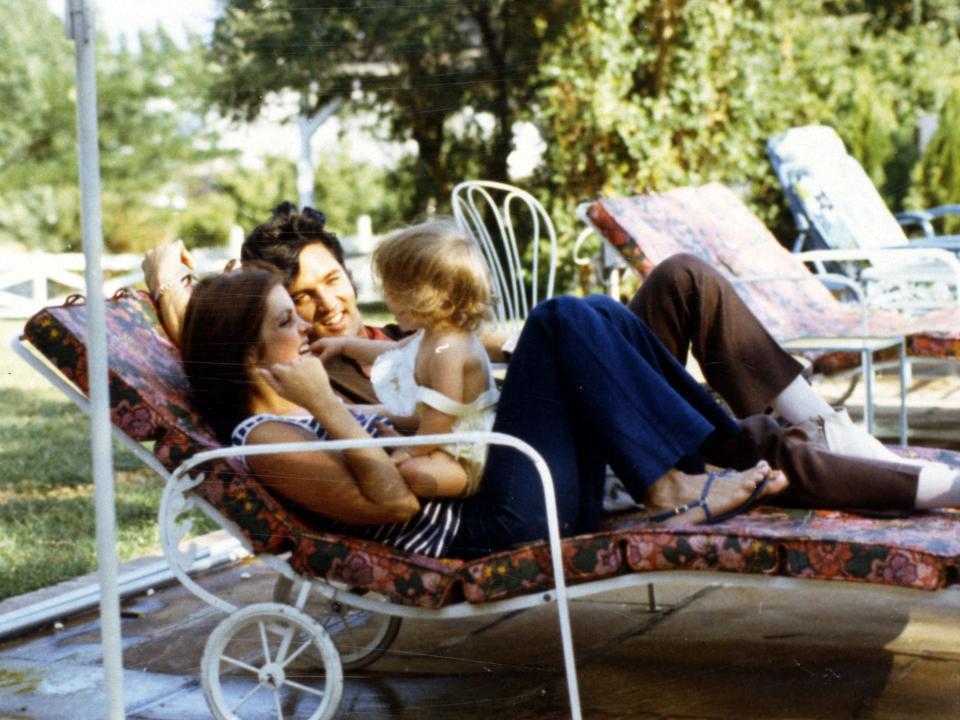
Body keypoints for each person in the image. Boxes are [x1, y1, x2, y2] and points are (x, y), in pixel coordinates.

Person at [144, 204, 958, 511]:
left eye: (335, 282)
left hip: (548, 426)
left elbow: (486, 348)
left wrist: (498, 339)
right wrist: (161, 275)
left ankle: (818, 425)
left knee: (678, 280)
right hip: (534, 457)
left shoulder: (389, 336)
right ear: (274, 332)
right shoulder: (309, 376)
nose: (331, 307)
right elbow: (214, 343)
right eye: (304, 304)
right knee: (574, 324)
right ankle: (748, 447)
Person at [181, 266, 786, 559]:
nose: (306, 325)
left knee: (593, 310)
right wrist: (326, 403)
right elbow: (394, 503)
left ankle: (714, 450)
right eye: (288, 321)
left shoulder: (293, 415)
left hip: (509, 493)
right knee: (556, 321)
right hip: (495, 526)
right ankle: (675, 483)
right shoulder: (266, 440)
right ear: (247, 356)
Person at [314, 220, 500, 498]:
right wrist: (343, 346)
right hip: (440, 436)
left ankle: (466, 483)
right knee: (387, 441)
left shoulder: (450, 349)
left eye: (394, 292)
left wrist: (410, 450)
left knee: (409, 473)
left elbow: (441, 416)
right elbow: (393, 352)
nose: (387, 301)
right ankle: (411, 451)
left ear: (430, 296)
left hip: (467, 450)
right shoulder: (431, 334)